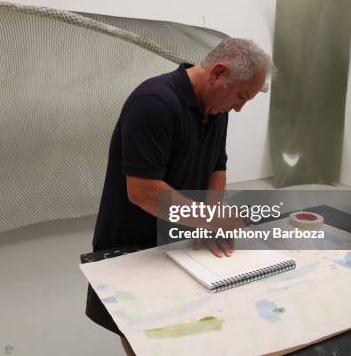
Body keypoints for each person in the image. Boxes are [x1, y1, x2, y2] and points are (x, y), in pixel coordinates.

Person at [84, 38, 274, 355]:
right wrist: (210, 220)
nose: (239, 107)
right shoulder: (154, 102)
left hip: (180, 243)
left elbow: (217, 167)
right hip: (135, 249)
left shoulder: (217, 109)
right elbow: (144, 191)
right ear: (218, 72)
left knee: (189, 336)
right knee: (148, 342)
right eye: (241, 96)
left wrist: (210, 224)